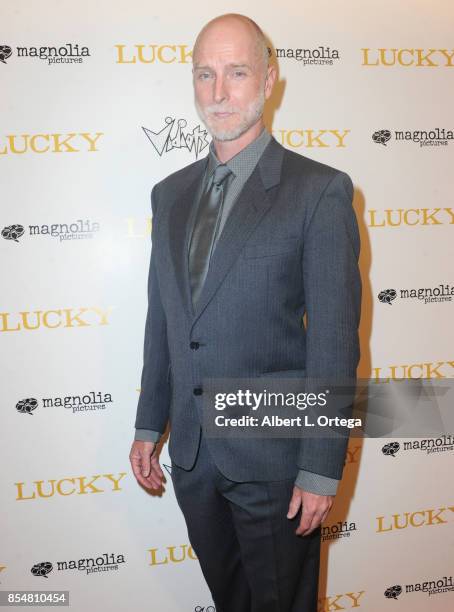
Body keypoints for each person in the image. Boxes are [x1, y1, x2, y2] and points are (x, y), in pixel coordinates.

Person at [129, 12, 361, 612]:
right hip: (196, 456)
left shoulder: (320, 191)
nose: (219, 91)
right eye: (206, 74)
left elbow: (334, 343)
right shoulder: (169, 194)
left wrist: (318, 468)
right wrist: (149, 423)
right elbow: (165, 319)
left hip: (275, 462)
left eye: (237, 72)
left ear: (269, 79)